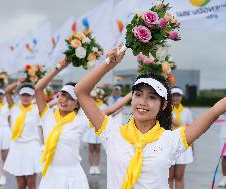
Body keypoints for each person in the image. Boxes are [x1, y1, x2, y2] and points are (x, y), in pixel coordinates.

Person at [74, 46, 226, 189]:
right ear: (131, 98)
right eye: (138, 94)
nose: (143, 102)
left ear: (164, 105)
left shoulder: (172, 139)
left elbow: (215, 110)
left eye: (152, 97)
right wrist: (108, 64)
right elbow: (81, 91)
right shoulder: (112, 132)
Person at [35, 59, 89, 189]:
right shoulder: (47, 116)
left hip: (73, 176)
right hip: (51, 175)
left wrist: (131, 96)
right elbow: (38, 88)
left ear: (77, 103)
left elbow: (108, 112)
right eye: (62, 95)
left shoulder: (81, 121)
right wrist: (59, 67)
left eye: (70, 98)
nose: (64, 100)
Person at [3, 81, 43, 189]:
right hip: (17, 147)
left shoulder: (37, 109)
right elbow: (7, 92)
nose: (26, 97)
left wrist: (37, 84)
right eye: (23, 94)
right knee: (21, 185)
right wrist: (18, 83)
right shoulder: (14, 108)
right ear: (19, 95)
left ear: (33, 96)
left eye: (28, 95)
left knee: (31, 184)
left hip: (31, 147)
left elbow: (42, 94)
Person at [168, 87, 194, 189]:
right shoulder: (165, 110)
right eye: (173, 95)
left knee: (179, 176)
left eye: (178, 95)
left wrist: (192, 147)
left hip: (183, 145)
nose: (175, 97)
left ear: (181, 97)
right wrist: (184, 126)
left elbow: (191, 129)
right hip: (169, 145)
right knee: (169, 177)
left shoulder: (187, 111)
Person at [82, 87, 107, 175]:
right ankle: (91, 166)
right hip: (90, 130)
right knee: (91, 148)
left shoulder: (104, 105)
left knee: (98, 149)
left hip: (100, 129)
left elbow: (106, 117)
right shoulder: (89, 104)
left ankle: (96, 166)